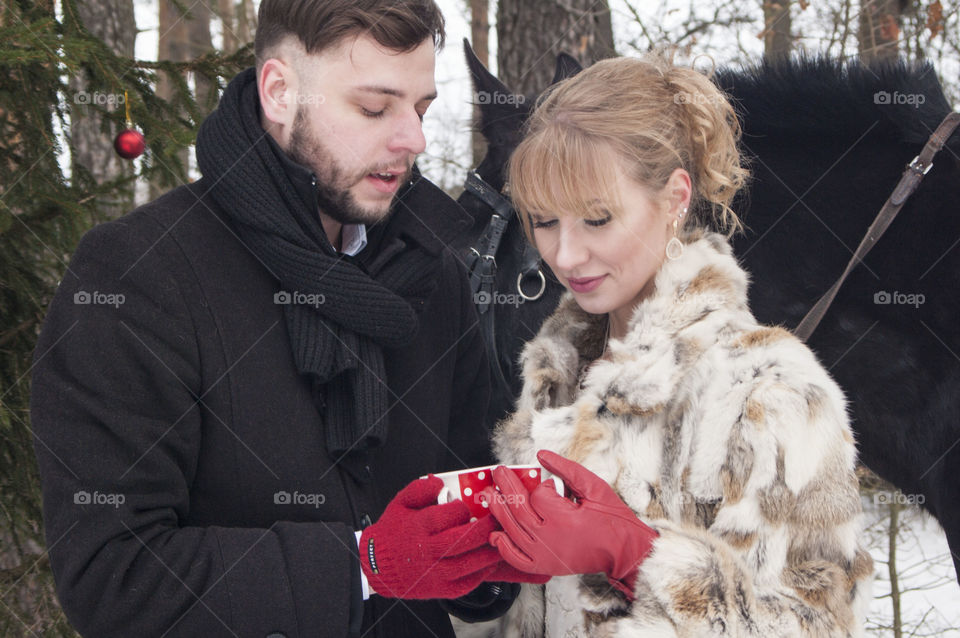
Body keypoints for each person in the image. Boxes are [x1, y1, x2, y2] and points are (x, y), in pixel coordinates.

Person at [29, 2, 541, 637]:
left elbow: (468, 532)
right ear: (279, 92)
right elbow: (114, 578)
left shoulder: (434, 276)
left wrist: (516, 543)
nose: (413, 139)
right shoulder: (137, 276)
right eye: (374, 108)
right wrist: (364, 564)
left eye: (421, 109)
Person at [480, 54, 874, 637]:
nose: (564, 256)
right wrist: (470, 591)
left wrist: (636, 555)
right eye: (543, 221)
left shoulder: (771, 389)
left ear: (674, 200)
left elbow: (822, 626)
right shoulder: (556, 379)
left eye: (596, 219)